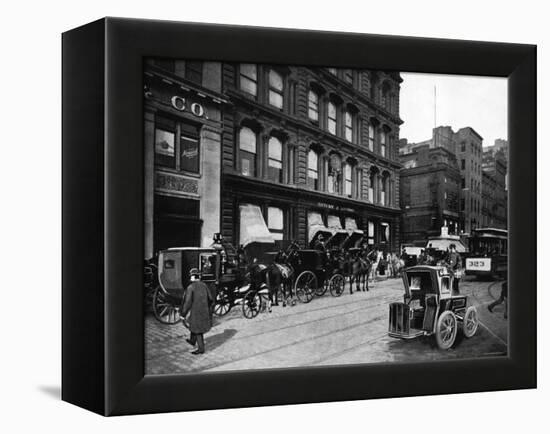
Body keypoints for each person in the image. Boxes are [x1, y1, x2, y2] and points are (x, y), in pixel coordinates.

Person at [181, 268, 213, 355]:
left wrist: (183, 314)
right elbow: (210, 299)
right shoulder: (204, 285)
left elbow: (187, 303)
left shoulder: (190, 287)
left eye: (190, 276)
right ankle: (192, 341)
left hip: (196, 311)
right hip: (204, 311)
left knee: (198, 329)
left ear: (193, 277)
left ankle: (201, 349)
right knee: (194, 325)